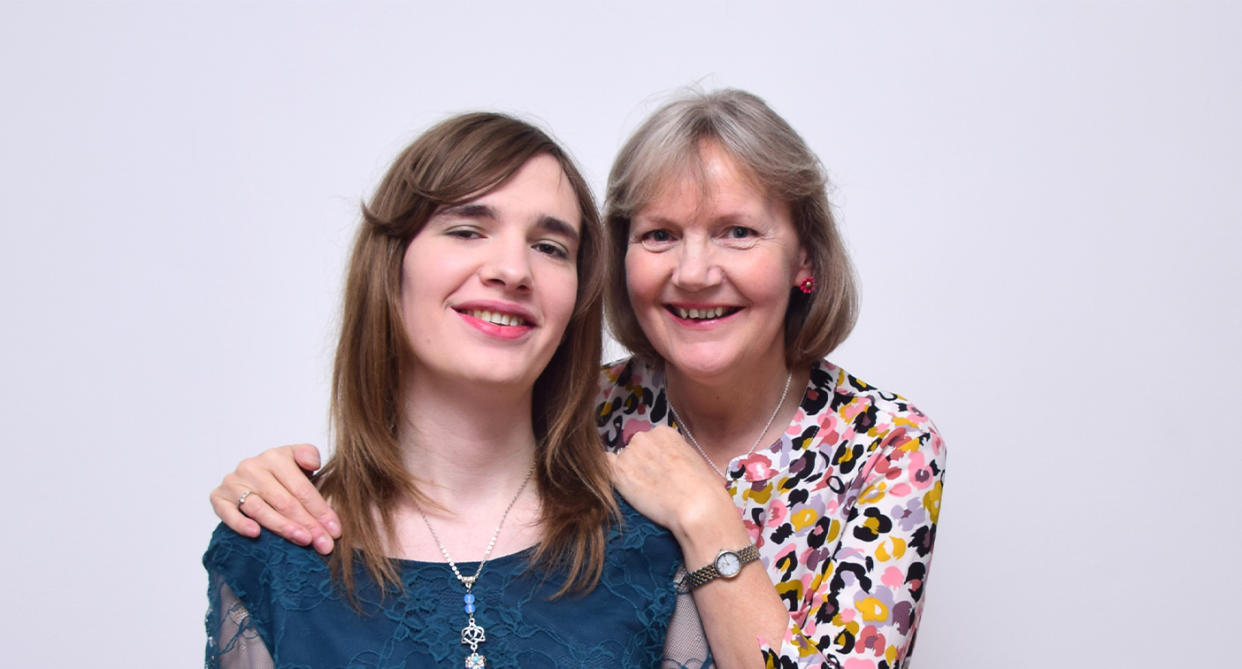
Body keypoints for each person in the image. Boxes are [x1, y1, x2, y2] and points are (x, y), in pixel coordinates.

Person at [211, 90, 946, 669]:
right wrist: (272, 481)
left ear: (804, 259)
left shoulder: (887, 447)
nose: (694, 272)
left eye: (738, 231)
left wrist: (704, 517)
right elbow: (440, 433)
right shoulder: (582, 404)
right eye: (659, 235)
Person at [203, 112, 703, 669]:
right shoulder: (269, 551)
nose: (513, 270)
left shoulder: (652, 547)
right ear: (391, 268)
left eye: (550, 246)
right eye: (467, 231)